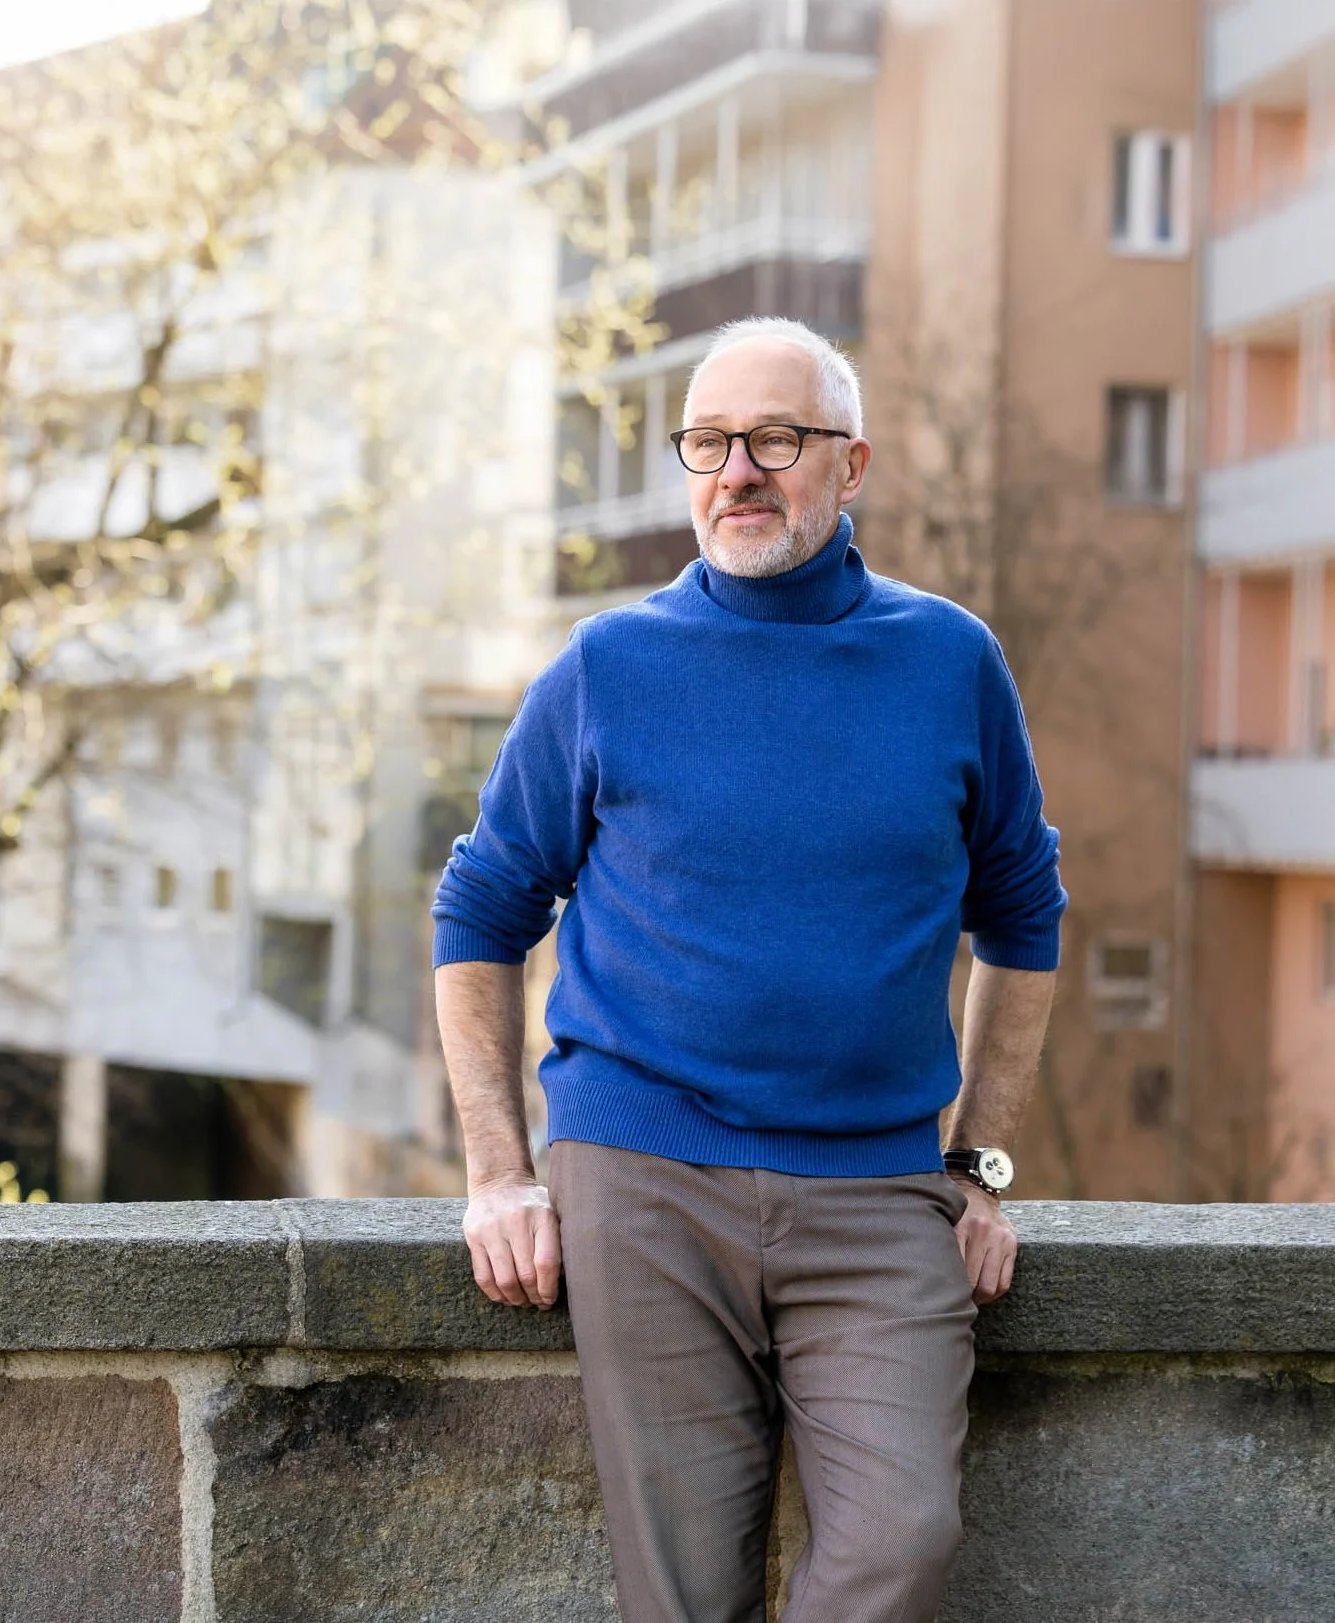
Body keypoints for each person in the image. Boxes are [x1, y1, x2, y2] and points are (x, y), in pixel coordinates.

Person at [429, 315, 1064, 1623]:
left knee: (903, 1533)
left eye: (778, 437)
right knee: (682, 1588)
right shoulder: (608, 667)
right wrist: (498, 1173)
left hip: (881, 1192)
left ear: (853, 463)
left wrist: (980, 1167)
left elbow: (1026, 914)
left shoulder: (951, 661)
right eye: (709, 442)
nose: (739, 472)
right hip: (643, 1181)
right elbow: (483, 908)